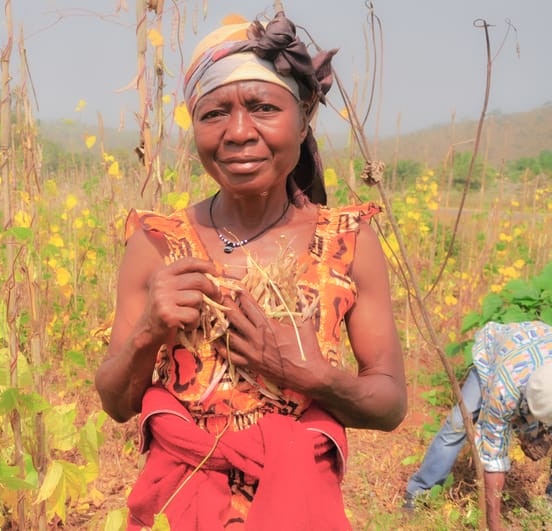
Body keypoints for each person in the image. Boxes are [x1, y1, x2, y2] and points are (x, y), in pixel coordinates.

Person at [95, 10, 407, 530]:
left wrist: (310, 376)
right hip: (180, 509)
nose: (238, 133)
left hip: (298, 508)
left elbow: (390, 403)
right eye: (214, 114)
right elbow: (117, 402)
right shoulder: (156, 243)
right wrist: (150, 329)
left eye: (263, 107)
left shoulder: (348, 241)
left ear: (304, 118)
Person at [403, 320, 552, 531]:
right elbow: (493, 458)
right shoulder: (503, 391)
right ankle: (418, 493)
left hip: (537, 345)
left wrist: (543, 436)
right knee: (458, 424)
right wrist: (494, 526)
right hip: (494, 357)